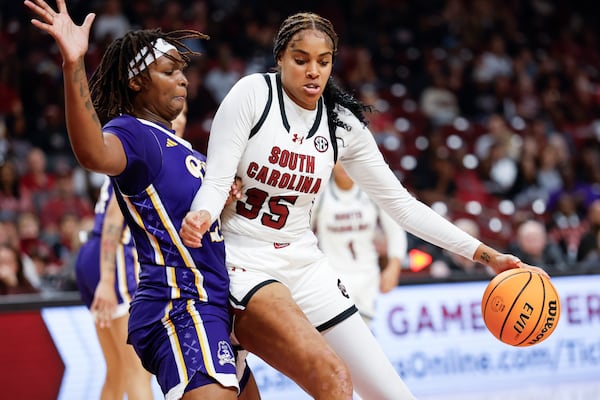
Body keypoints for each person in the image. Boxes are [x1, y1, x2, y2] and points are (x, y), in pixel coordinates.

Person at [179, 11, 548, 400]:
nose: (312, 72)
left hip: (305, 265)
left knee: (393, 395)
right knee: (330, 376)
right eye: (300, 60)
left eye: (323, 62)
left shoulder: (341, 124)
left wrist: (486, 255)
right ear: (280, 59)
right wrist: (202, 213)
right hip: (245, 262)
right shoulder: (254, 94)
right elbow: (217, 180)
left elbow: (402, 206)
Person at [24, 1, 259, 399]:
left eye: (182, 71)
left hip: (216, 305)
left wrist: (226, 200)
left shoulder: (185, 150)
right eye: (169, 72)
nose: (182, 80)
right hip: (182, 305)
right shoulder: (135, 134)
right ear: (136, 83)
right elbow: (93, 152)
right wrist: (74, 64)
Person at [74, 176, 153, 400]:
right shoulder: (142, 153)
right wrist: (108, 281)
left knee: (118, 370)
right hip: (113, 257)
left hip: (93, 253)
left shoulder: (131, 150)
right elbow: (113, 219)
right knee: (138, 370)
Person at [311, 162, 406, 325]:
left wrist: (394, 266)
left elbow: (395, 231)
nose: (344, 166)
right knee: (337, 340)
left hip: (367, 275)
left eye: (349, 159)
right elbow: (302, 232)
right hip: (332, 276)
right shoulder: (319, 193)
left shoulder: (371, 191)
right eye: (340, 159)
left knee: (363, 337)